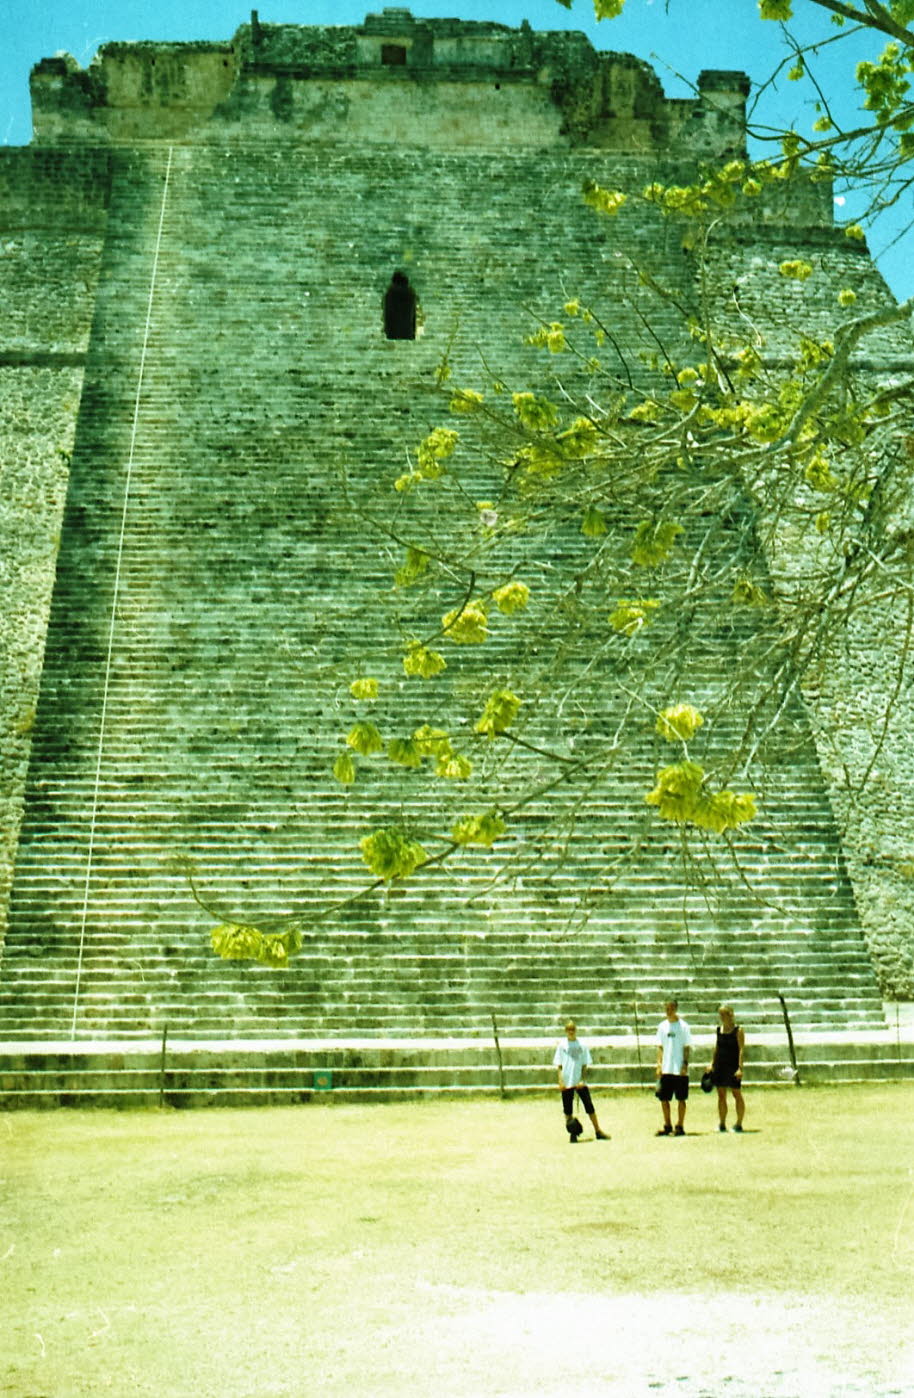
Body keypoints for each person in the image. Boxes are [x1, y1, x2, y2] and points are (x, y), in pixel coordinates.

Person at [552, 1020, 610, 1143]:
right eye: (568, 1029)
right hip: (567, 1080)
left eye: (573, 1029)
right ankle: (572, 1133)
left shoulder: (582, 1045)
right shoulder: (562, 1046)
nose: (571, 1032)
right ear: (565, 1031)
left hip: (579, 1081)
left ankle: (598, 1130)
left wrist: (582, 1080)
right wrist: (560, 1081)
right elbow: (559, 1065)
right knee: (568, 1110)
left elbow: (584, 1065)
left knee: (589, 1106)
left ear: (575, 1030)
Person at [654, 999, 691, 1136]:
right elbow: (660, 1046)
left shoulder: (684, 1026)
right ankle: (667, 1124)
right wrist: (659, 1064)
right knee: (664, 1098)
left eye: (670, 1008)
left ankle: (680, 1125)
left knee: (681, 1098)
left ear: (675, 1008)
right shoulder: (662, 1026)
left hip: (679, 1067)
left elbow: (687, 1047)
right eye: (666, 1009)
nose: (668, 1011)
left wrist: (685, 1064)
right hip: (666, 1067)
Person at [708, 1004, 746, 1133]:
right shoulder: (719, 1029)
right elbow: (716, 1047)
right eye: (721, 1015)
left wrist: (740, 1068)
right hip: (720, 1064)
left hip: (733, 1065)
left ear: (731, 1015)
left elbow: (741, 1049)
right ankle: (722, 1123)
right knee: (721, 1094)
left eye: (724, 1014)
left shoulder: (738, 1030)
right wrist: (711, 1064)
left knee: (736, 1093)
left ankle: (739, 1123)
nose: (722, 1017)